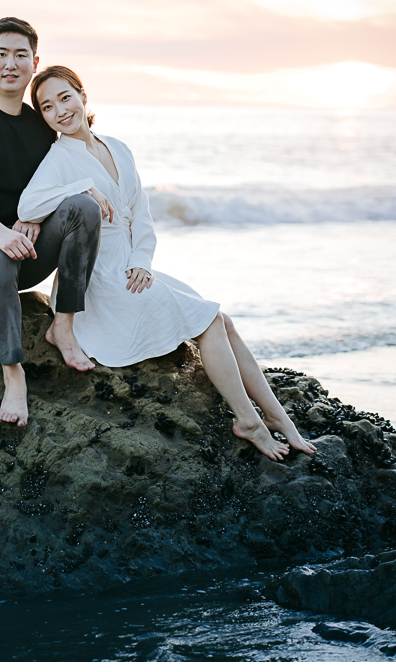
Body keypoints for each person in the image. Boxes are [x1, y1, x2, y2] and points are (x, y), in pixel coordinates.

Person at [18, 66, 316, 461]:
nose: (60, 110)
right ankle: (248, 420)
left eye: (65, 97)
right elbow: (28, 205)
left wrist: (142, 259)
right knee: (209, 321)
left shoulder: (118, 147)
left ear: (83, 96)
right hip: (98, 281)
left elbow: (141, 214)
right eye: (47, 107)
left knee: (222, 320)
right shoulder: (59, 158)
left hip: (129, 266)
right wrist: (80, 187)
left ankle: (278, 417)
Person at [0, 18, 102, 428]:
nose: (11, 64)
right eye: (1, 54)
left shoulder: (40, 126)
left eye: (20, 55)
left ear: (34, 61)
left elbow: (54, 185)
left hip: (24, 247)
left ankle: (63, 327)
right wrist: (1, 231)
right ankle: (14, 374)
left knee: (83, 206)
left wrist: (38, 218)